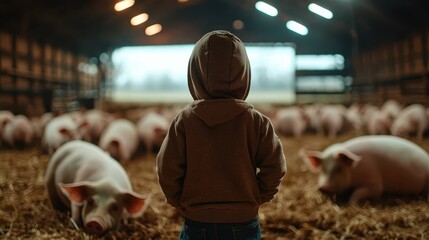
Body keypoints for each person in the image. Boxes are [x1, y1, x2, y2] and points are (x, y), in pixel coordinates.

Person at [156, 30, 287, 240]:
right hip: (243, 221)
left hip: (197, 221)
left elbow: (167, 169)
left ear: (195, 73)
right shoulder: (257, 121)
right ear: (244, 73)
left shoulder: (184, 121)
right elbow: (276, 166)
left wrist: (179, 200)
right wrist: (258, 196)